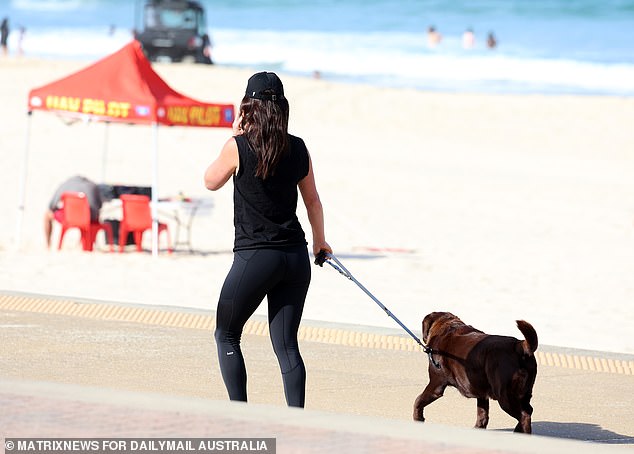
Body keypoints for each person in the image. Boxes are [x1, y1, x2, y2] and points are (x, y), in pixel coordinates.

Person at [204, 71, 332, 408]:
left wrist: (234, 134)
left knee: (227, 334)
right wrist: (321, 242)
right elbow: (313, 201)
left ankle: (241, 416)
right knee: (287, 345)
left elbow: (210, 181)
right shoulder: (298, 148)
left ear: (248, 107)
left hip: (256, 257)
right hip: (294, 257)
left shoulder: (238, 146)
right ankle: (296, 420)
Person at [44, 175, 103, 249]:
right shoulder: (92, 186)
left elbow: (52, 205)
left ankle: (48, 244)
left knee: (47, 215)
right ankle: (87, 243)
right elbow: (99, 206)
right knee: (95, 215)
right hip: (88, 219)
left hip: (69, 218)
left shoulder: (65, 185)